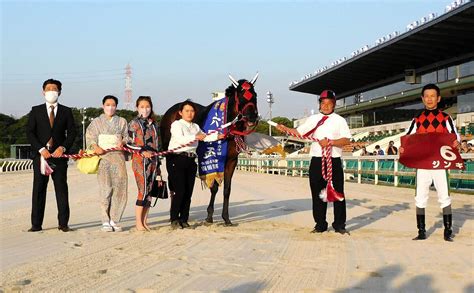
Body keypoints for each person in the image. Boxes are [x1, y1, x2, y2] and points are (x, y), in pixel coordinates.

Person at [276, 90, 351, 234]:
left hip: (333, 160)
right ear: (320, 104)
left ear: (334, 104)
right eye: (323, 103)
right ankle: (320, 224)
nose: (326, 106)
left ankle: (339, 224)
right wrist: (285, 129)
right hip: (317, 160)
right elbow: (299, 133)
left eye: (329, 103)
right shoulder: (313, 119)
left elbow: (346, 139)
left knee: (338, 193)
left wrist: (331, 142)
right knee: (318, 193)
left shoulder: (340, 120)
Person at [401, 83, 459, 242]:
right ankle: (421, 231)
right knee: (420, 196)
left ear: (438, 98)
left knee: (444, 195)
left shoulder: (446, 118)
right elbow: (407, 137)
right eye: (426, 96)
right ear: (422, 99)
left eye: (433, 96)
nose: (429, 99)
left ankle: (448, 230)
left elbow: (456, 136)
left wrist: (456, 143)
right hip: (423, 163)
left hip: (440, 163)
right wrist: (403, 147)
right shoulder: (417, 119)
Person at [26, 79, 77, 232]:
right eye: (48, 89)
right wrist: (41, 149)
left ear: (59, 92)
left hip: (59, 157)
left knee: (61, 189)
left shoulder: (66, 111)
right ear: (43, 92)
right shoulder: (36, 110)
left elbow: (72, 132)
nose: (51, 91)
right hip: (41, 156)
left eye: (54, 89)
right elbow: (30, 132)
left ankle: (63, 223)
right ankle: (36, 224)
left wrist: (63, 147)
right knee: (38, 190)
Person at [167, 100, 223, 229]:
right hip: (177, 158)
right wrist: (195, 137)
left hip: (191, 160)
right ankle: (174, 218)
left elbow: (205, 137)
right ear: (181, 112)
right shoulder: (177, 125)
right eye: (187, 111)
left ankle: (184, 219)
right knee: (179, 190)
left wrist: (217, 136)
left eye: (192, 111)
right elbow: (181, 139)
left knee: (188, 192)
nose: (190, 113)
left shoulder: (196, 127)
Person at [86, 95, 129, 232]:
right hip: (103, 158)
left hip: (118, 157)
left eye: (113, 105)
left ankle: (114, 219)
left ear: (116, 106)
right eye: (108, 104)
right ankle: (105, 220)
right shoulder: (96, 122)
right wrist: (94, 146)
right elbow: (90, 137)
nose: (110, 107)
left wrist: (123, 142)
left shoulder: (122, 121)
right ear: (103, 106)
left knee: (120, 188)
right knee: (106, 189)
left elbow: (127, 137)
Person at [128, 96, 162, 231]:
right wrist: (142, 151)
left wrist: (158, 166)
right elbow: (129, 143)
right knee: (142, 190)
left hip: (153, 160)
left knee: (150, 191)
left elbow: (157, 145)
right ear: (137, 108)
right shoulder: (134, 123)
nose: (145, 109)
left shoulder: (154, 124)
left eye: (147, 106)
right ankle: (138, 223)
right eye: (142, 106)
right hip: (140, 160)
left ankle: (144, 221)